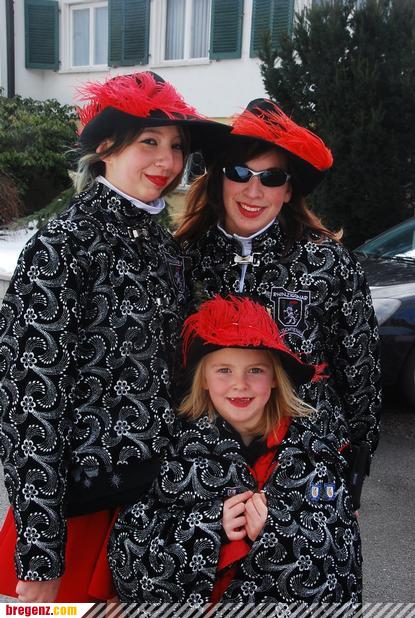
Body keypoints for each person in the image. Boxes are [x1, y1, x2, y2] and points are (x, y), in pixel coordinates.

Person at [0, 71, 229, 602]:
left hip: (155, 501)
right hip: (80, 507)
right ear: (105, 148)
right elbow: (29, 402)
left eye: (177, 146)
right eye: (149, 142)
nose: (167, 161)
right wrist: (40, 553)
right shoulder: (62, 246)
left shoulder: (162, 245)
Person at [109, 295, 362, 607]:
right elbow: (128, 548)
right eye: (224, 370)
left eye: (255, 370)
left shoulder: (314, 453)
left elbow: (341, 550)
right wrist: (209, 526)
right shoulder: (174, 454)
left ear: (274, 378)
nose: (239, 384)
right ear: (203, 379)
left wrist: (279, 529)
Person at [176, 98, 381, 475]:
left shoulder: (328, 262)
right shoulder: (184, 259)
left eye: (270, 177)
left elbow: (359, 367)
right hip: (204, 459)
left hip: (305, 457)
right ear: (220, 179)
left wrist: (358, 456)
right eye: (240, 172)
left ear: (288, 190)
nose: (253, 191)